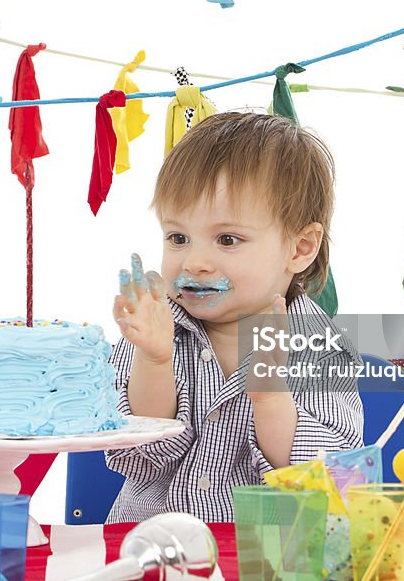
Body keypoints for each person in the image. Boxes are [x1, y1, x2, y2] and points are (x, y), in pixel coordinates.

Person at [105, 111, 363, 523]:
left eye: (227, 239)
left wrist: (271, 398)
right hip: (150, 544)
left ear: (299, 248)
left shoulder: (320, 347)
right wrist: (154, 361)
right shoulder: (155, 328)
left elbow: (320, 477)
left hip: (266, 555)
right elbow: (139, 448)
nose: (195, 261)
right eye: (178, 237)